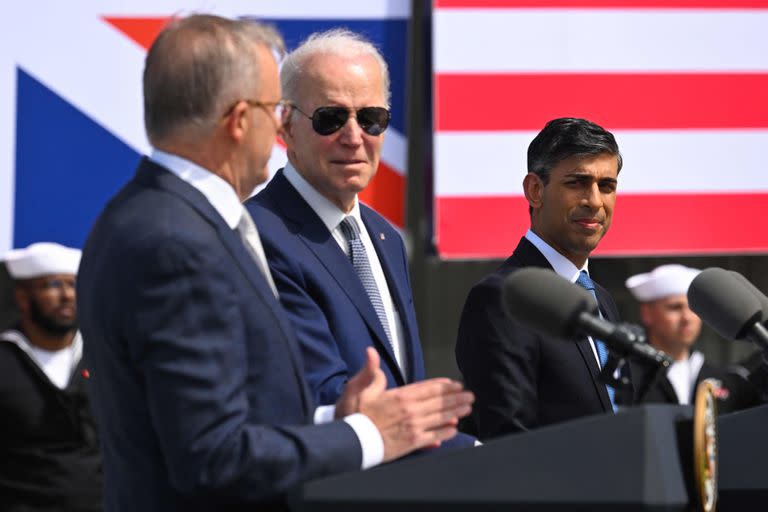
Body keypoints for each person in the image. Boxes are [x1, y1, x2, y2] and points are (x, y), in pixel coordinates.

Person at [77, 15, 473, 511]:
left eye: (371, 118)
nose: (279, 125)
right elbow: (212, 456)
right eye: (275, 109)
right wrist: (370, 435)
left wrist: (336, 419)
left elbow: (234, 417)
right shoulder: (177, 243)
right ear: (243, 120)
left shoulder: (146, 216)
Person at [245, 30, 473, 448]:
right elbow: (319, 395)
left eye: (370, 118)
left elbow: (404, 382)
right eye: (331, 118)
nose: (354, 137)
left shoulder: (385, 237)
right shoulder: (258, 234)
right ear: (286, 127)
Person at [455, 117, 635, 440]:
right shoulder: (503, 299)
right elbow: (510, 443)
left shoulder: (602, 300)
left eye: (606, 186)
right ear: (535, 190)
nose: (594, 201)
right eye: (577, 183)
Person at [0, 242, 102, 511]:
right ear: (23, 297)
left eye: (72, 285)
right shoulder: (6, 360)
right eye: (53, 285)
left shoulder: (103, 360)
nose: (67, 295)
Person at [628, 264, 765, 412]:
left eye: (692, 309)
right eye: (675, 307)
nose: (687, 318)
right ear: (647, 313)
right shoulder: (629, 377)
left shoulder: (727, 381)